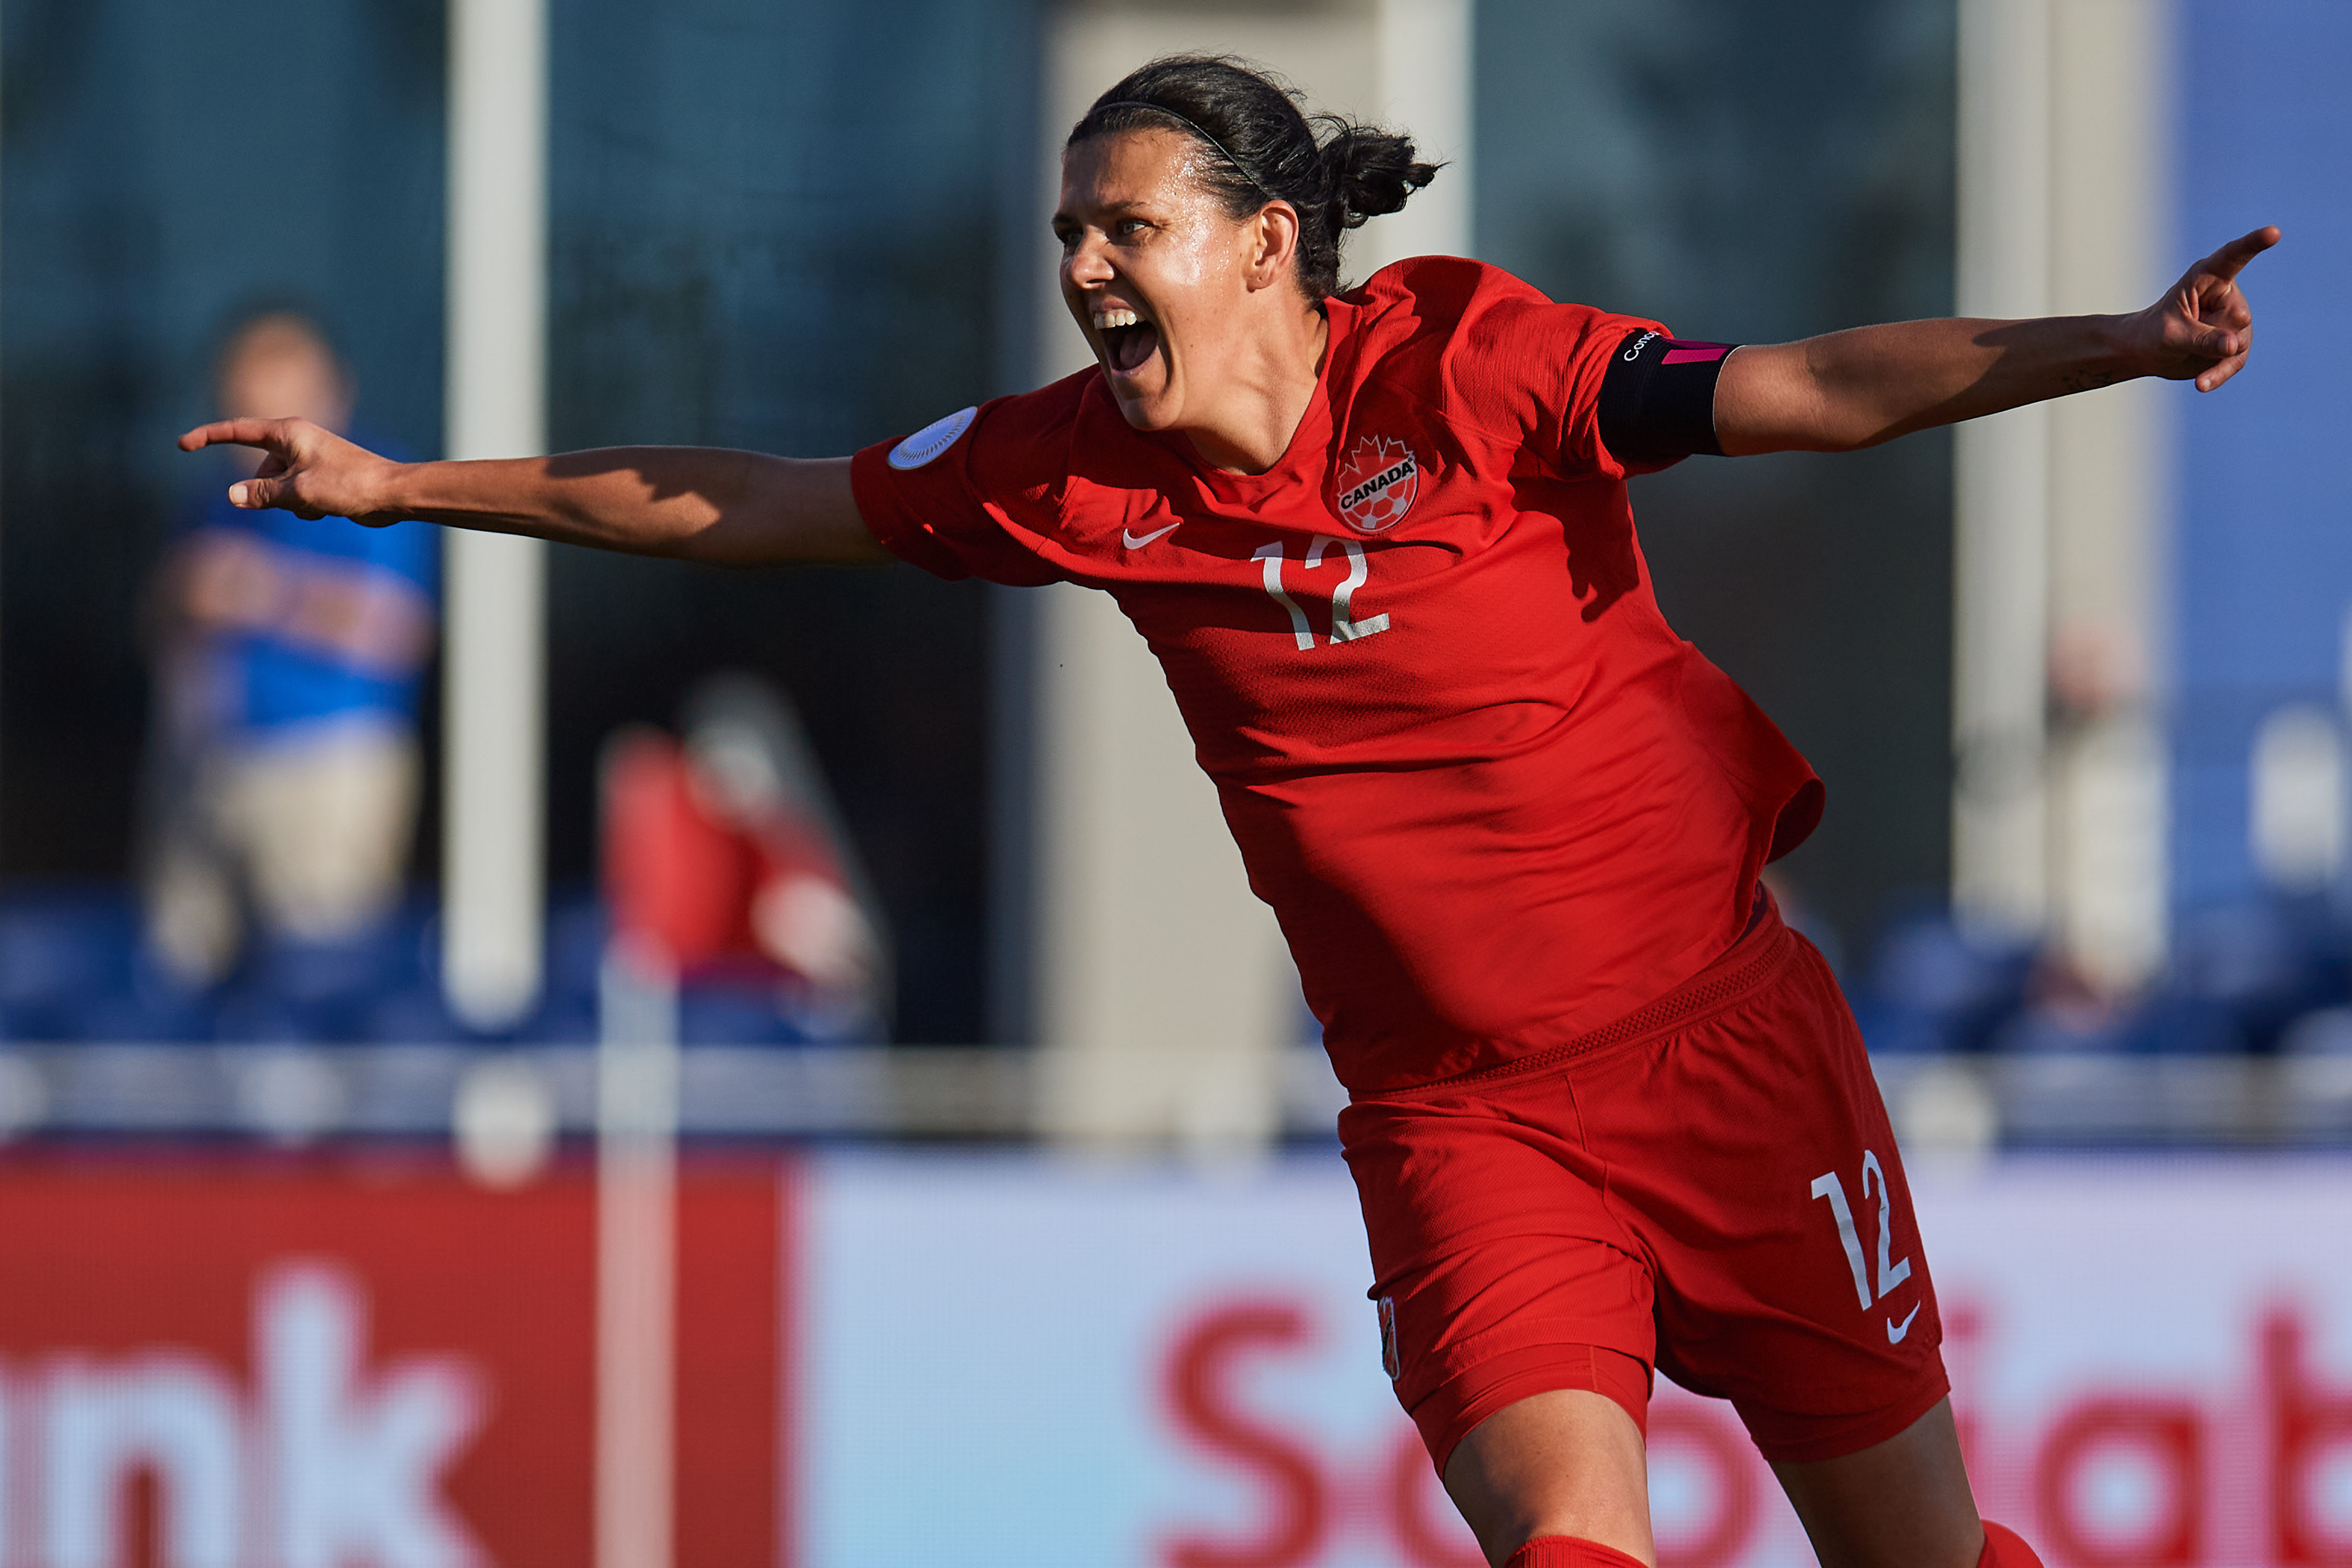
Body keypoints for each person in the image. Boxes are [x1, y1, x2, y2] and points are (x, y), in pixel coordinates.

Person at [182, 55, 2275, 1568]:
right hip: (1465, 1122)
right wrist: (405, 484)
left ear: (1268, 244)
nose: (1088, 269)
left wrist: (2115, 342)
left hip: (1732, 1054)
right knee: (1573, 1541)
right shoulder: (1067, 469)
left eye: (1130, 229)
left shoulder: (1471, 361)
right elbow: (750, 501)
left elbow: (1812, 387)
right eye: (1071, 234)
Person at [145, 310, 437, 989]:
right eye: (240, 403)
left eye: (273, 407)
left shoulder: (373, 488)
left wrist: (260, 593)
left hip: (325, 765)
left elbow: (397, 632)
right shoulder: (213, 498)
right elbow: (162, 622)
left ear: (330, 396)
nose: (255, 424)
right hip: (205, 760)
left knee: (314, 984)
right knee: (180, 981)